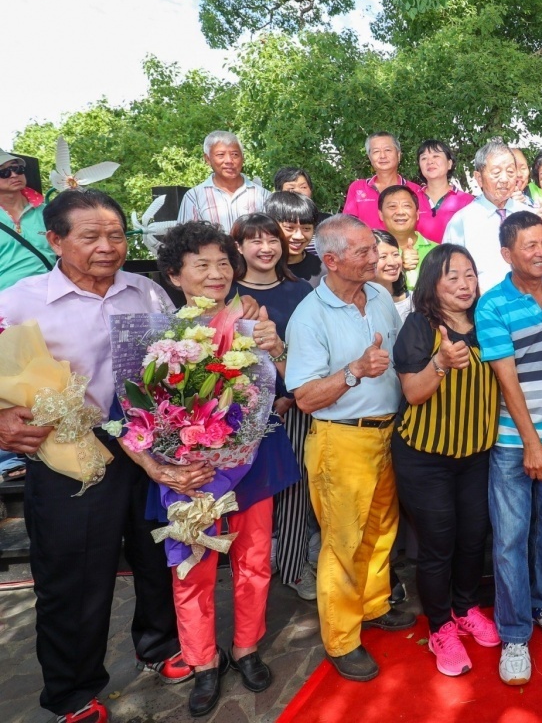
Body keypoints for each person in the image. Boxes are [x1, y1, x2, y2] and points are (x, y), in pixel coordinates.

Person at [0, 190, 190, 723]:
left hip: (148, 442)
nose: (108, 247)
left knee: (157, 554)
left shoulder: (147, 293)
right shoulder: (19, 300)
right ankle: (73, 691)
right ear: (54, 240)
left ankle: (158, 646)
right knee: (73, 576)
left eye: (116, 235)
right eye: (90, 237)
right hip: (68, 454)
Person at [154, 220, 300, 715]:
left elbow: (286, 389)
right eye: (202, 265)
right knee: (191, 568)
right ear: (176, 276)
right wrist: (162, 468)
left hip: (252, 467)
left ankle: (246, 646)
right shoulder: (160, 336)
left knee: (254, 561)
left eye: (222, 264)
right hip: (189, 474)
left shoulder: (252, 325)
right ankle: (201, 661)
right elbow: (132, 415)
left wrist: (275, 350)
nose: (216, 274)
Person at [286, 214, 415, 682]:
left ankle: (376, 604)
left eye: (373, 249)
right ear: (333, 260)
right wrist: (355, 370)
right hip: (341, 440)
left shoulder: (379, 295)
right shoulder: (310, 315)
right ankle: (342, 639)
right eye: (363, 251)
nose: (375, 257)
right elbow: (303, 397)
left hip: (388, 434)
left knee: (382, 530)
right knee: (342, 542)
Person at [476, 211, 542, 685]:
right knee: (509, 539)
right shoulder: (492, 305)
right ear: (507, 254)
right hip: (513, 444)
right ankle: (515, 633)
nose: (541, 251)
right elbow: (507, 383)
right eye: (529, 245)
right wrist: (531, 444)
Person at [391, 244, 501, 678]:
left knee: (474, 537)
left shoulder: (487, 322)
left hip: (476, 454)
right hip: (425, 457)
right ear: (433, 282)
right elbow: (414, 393)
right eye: (452, 276)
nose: (464, 284)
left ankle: (466, 609)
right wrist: (439, 362)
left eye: (470, 275)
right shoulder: (420, 327)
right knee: (438, 545)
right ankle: (439, 628)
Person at [229, 214, 317, 603]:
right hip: (240, 412)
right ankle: (251, 570)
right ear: (239, 248)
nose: (266, 248)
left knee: (295, 489)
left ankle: (295, 567)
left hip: (293, 403)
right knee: (251, 498)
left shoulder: (301, 291)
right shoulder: (228, 293)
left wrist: (289, 396)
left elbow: (311, 349)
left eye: (272, 240)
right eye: (255, 241)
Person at [443, 142, 530, 294]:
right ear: (479, 178)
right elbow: (447, 271)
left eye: (510, 172)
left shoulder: (529, 216)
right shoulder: (461, 222)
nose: (504, 179)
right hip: (481, 306)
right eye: (496, 173)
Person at [177, 131, 270, 232]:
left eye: (235, 154)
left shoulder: (263, 195)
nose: (229, 161)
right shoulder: (194, 197)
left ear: (242, 157)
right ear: (207, 159)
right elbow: (184, 239)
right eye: (220, 155)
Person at [0, 147, 56, 290]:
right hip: (5, 303)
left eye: (17, 169)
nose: (13, 175)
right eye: (3, 172)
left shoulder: (49, 212)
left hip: (49, 296)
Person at [342, 132, 420, 231]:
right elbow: (348, 226)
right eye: (376, 151)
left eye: (387, 150)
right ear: (369, 157)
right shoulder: (358, 187)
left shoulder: (415, 190)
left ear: (399, 155)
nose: (382, 156)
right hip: (367, 246)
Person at [414, 139, 474, 243]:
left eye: (436, 156)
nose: (430, 162)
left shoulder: (467, 202)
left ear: (449, 163)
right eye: (424, 158)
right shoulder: (411, 199)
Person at [379, 183, 435, 291]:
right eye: (392, 206)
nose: (400, 212)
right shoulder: (371, 254)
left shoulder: (437, 251)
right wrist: (400, 268)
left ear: (417, 214)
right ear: (380, 214)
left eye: (406, 206)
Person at [264, 191, 323, 286]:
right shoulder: (253, 268)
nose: (298, 236)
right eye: (289, 228)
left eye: (306, 228)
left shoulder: (324, 272)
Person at [372, 229, 408, 310]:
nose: (392, 262)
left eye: (395, 254)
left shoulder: (414, 302)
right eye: (383, 257)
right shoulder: (358, 305)